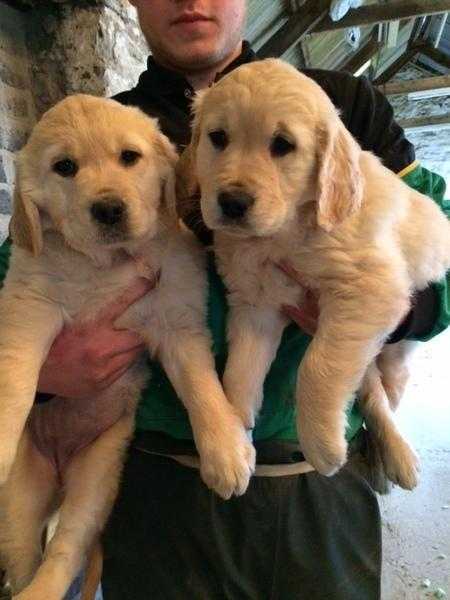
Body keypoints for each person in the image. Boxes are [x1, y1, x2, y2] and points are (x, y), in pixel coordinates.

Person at [0, 1, 448, 598]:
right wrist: (51, 377)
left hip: (312, 476)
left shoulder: (343, 103)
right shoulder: (116, 128)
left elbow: (434, 244)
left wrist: (389, 313)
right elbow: (23, 273)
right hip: (153, 477)